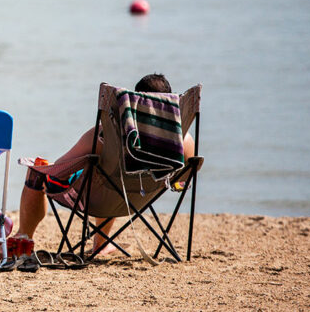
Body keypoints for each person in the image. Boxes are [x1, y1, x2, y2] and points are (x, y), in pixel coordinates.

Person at [11, 73, 196, 256]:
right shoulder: (184, 142)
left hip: (102, 198)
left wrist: (43, 166)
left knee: (40, 171)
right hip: (143, 200)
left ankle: (23, 238)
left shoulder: (105, 135)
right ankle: (101, 244)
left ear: (135, 101)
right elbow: (182, 183)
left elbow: (60, 170)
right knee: (108, 174)